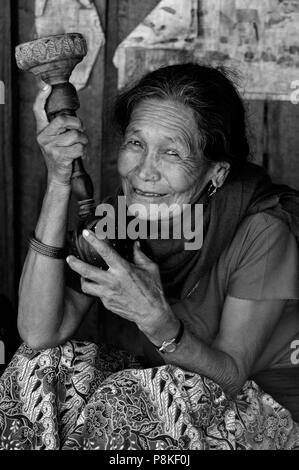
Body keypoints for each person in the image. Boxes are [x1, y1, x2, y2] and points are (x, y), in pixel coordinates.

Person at [1, 64, 299, 450]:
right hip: (159, 389)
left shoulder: (260, 230)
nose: (144, 172)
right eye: (136, 144)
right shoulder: (120, 218)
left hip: (260, 409)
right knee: (38, 367)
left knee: (127, 397)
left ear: (216, 173)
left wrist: (158, 322)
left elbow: (231, 374)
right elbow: (41, 334)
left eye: (171, 152)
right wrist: (58, 181)